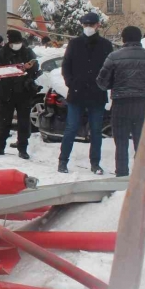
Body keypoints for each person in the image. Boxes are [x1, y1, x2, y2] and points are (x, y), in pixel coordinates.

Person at [58, 12, 114, 174]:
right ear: (82, 26)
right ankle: (63, 161)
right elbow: (66, 66)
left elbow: (109, 68)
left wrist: (104, 85)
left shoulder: (105, 45)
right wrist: (71, 82)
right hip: (77, 92)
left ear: (98, 25)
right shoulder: (74, 44)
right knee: (71, 128)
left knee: (96, 130)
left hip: (97, 93)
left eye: (91, 25)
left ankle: (95, 163)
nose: (88, 28)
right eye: (86, 25)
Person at [96, 26, 145, 176]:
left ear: (123, 39)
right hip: (144, 104)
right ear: (139, 39)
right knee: (142, 141)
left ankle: (122, 174)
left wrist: (115, 83)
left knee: (121, 142)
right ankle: (141, 174)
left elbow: (102, 83)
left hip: (121, 104)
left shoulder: (114, 57)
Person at [0, 30, 39, 160]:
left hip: (24, 92)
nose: (17, 45)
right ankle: (0, 147)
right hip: (6, 92)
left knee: (23, 122)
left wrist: (30, 68)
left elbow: (35, 67)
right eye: (15, 42)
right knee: (4, 122)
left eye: (19, 42)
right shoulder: (1, 54)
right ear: (9, 43)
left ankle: (22, 148)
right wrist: (20, 68)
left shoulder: (27, 52)